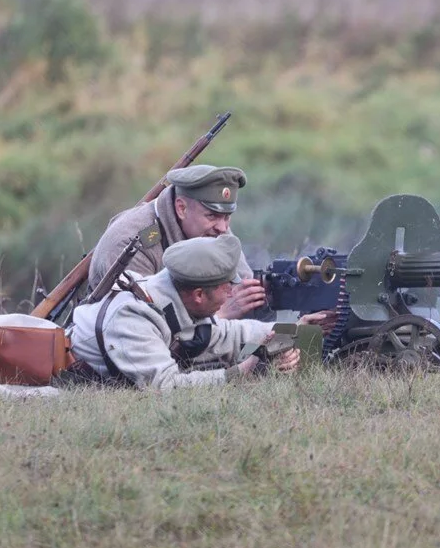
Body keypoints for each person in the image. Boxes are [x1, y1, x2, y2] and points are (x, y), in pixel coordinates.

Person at [70, 234, 330, 389]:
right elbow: (165, 388)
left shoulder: (176, 301)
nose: (231, 295)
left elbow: (227, 333)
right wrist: (242, 373)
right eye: (226, 288)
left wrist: (290, 330)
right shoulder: (133, 317)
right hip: (68, 376)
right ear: (198, 295)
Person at [87, 164, 268, 320]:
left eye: (227, 217)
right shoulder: (132, 243)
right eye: (212, 215)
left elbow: (243, 288)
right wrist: (219, 315)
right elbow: (136, 324)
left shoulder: (212, 227)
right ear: (182, 208)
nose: (222, 228)